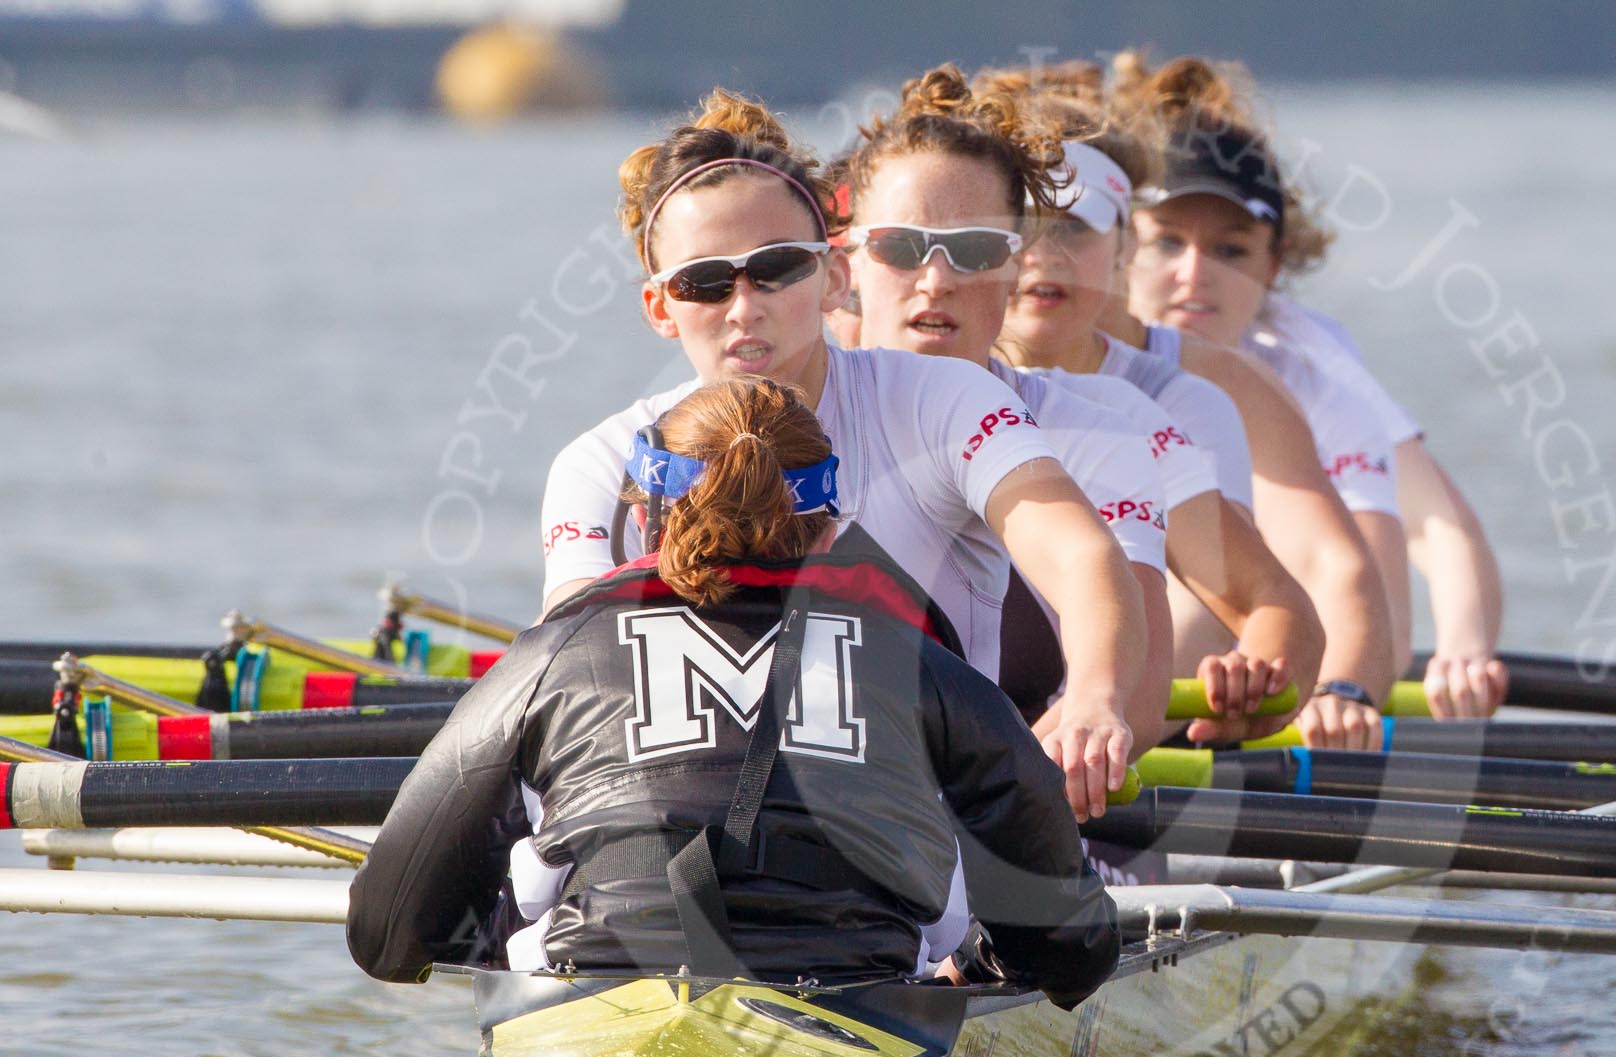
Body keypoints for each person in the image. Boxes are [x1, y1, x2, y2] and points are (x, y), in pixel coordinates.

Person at [350, 377, 1119, 1009]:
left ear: (645, 520)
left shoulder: (547, 661)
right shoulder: (927, 668)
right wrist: (980, 967)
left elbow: (388, 934)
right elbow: (1074, 951)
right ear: (829, 534)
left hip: (589, 1003)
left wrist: (507, 949)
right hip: (861, 1004)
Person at [539, 89, 1143, 820]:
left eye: (777, 268)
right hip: (683, 844)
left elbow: (1081, 555)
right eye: (704, 281)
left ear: (834, 276)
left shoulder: (945, 404)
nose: (743, 307)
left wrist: (1092, 698)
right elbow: (571, 672)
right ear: (660, 307)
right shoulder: (599, 464)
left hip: (918, 846)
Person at [843, 65, 1323, 747]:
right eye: (904, 247)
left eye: (974, 250)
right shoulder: (775, 421)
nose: (937, 279)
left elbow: (1280, 609)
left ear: (1009, 266)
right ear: (845, 265)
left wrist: (1262, 686)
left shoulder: (1109, 425)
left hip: (1052, 821)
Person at [980, 66, 1397, 746]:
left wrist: (1325, 688)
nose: (1041, 257)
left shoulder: (1185, 401)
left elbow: (1316, 577)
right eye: (1021, 229)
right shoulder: (898, 363)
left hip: (1130, 732)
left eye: (1073, 231)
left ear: (1121, 248)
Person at [1112, 53, 1510, 719]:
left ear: (1274, 265)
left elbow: (1431, 529)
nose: (1194, 275)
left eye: (1231, 251)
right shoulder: (1052, 340)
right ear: (1119, 250)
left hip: (1261, 664)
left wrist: (1455, 654)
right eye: (1168, 243)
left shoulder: (1311, 373)